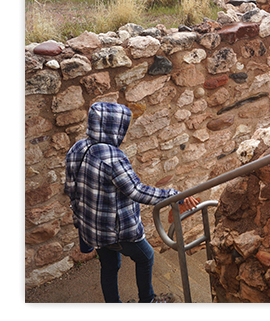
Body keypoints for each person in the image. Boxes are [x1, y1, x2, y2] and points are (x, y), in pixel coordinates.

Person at [64, 102, 199, 303]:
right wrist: (174, 195)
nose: (123, 133)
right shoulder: (111, 156)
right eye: (122, 127)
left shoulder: (78, 148)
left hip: (93, 227)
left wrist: (79, 222)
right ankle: (148, 301)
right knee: (146, 257)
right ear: (112, 126)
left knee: (109, 267)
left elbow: (70, 188)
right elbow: (136, 191)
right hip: (117, 230)